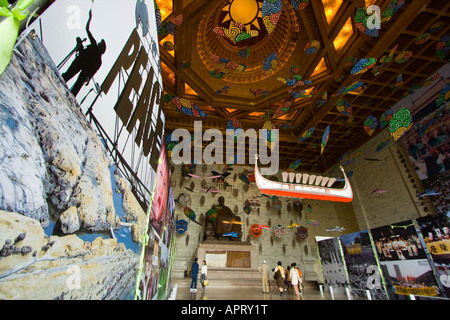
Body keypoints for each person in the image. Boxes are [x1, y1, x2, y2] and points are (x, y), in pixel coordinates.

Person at [62, 9, 106, 97]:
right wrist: (89, 19)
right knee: (71, 79)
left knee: (72, 79)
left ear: (101, 48)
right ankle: (68, 89)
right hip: (82, 64)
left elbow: (93, 71)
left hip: (82, 66)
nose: (99, 43)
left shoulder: (97, 54)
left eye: (101, 43)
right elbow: (87, 29)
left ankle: (69, 93)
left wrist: (88, 78)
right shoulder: (96, 52)